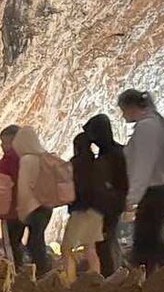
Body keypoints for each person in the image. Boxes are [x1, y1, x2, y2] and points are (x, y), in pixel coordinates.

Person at [118, 90, 164, 274]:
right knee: (159, 242)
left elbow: (143, 166)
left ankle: (152, 287)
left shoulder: (147, 128)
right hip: (162, 190)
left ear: (132, 107)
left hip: (155, 191)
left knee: (148, 243)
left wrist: (132, 197)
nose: (122, 115)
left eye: (123, 110)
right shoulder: (154, 123)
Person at [83, 115, 129, 275]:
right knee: (108, 239)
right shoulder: (118, 151)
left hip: (108, 205)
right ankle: (115, 274)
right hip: (113, 202)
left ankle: (111, 276)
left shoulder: (109, 155)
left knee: (105, 241)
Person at [61, 132, 108, 278]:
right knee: (90, 248)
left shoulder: (74, 164)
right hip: (96, 212)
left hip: (80, 211)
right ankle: (95, 280)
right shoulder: (98, 164)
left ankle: (70, 280)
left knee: (67, 248)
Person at [11, 126, 55, 277]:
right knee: (37, 240)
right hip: (47, 207)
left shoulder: (27, 160)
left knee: (34, 243)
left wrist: (22, 211)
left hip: (34, 207)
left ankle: (41, 274)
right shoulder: (45, 157)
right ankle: (43, 272)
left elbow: (24, 189)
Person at [0, 125, 26, 268]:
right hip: (25, 207)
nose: (2, 146)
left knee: (11, 243)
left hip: (12, 209)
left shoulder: (11, 159)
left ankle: (15, 272)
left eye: (5, 143)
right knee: (18, 241)